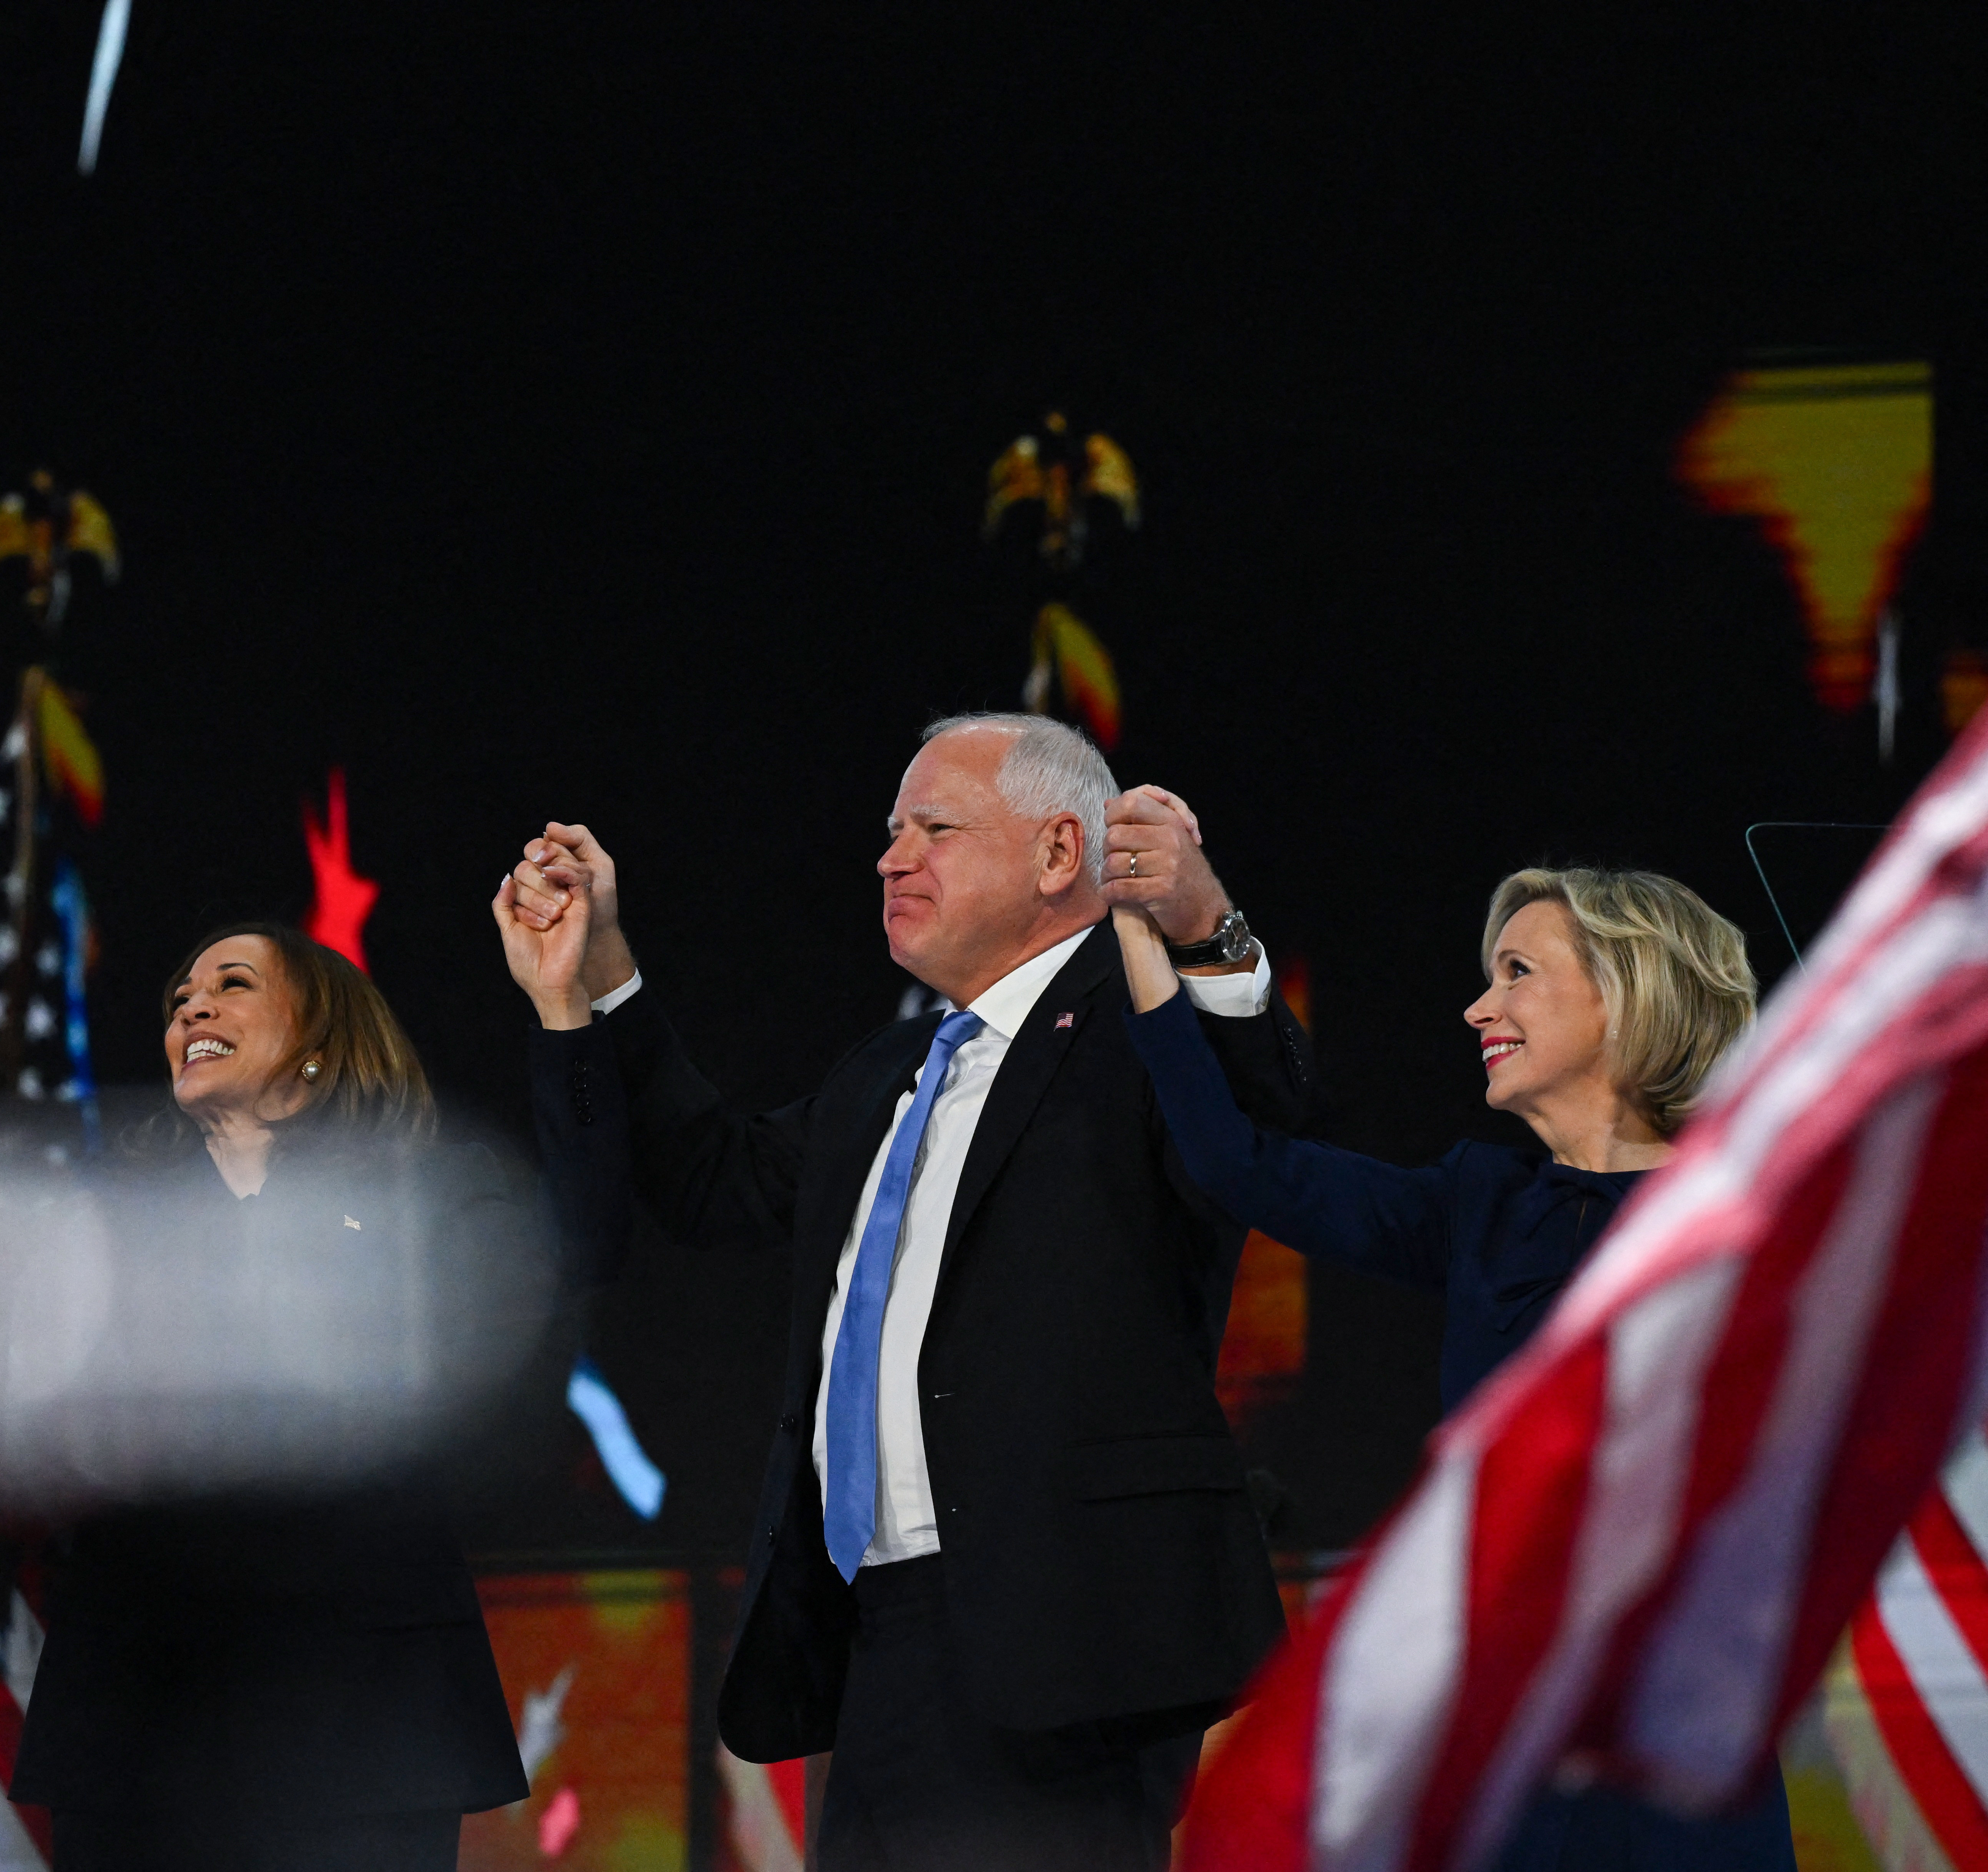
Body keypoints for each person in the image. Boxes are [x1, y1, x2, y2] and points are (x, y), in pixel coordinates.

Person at [492, 713, 1322, 1871]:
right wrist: (595, 980)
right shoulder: (889, 1071)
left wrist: (1204, 926)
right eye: (890, 831)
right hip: (871, 1634)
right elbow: (709, 1183)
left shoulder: (1143, 1031)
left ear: (1052, 855)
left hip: (1058, 1636)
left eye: (935, 827)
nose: (891, 856)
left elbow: (1263, 1117)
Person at [1110, 848, 1794, 1871]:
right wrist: (1139, 933)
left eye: (1517, 971)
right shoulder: (1478, 1200)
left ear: (1626, 990)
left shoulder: (1755, 1218)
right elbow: (1232, 1160)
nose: (1478, 1007)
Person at [6, 922, 536, 1872]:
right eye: (179, 1001)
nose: (193, 1006)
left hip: (360, 1733)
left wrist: (571, 1016)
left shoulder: (434, 1200)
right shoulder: (104, 1212)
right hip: (141, 1723)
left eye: (232, 984)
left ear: (320, 1041)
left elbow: (574, 1255)